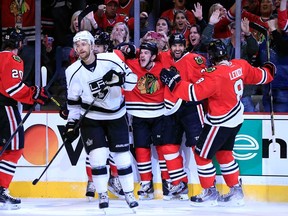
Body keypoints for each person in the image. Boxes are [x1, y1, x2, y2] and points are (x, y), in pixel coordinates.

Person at [160, 39, 275, 206]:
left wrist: (174, 83)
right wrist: (270, 69)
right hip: (235, 119)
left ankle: (209, 193)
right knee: (224, 153)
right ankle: (236, 191)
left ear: (211, 57)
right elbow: (261, 76)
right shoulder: (239, 65)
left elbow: (193, 94)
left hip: (219, 122)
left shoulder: (214, 75)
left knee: (201, 155)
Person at [64, 30, 138, 210]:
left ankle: (129, 193)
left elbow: (133, 82)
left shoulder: (111, 59)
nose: (80, 48)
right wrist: (72, 123)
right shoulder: (72, 71)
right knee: (97, 158)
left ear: (91, 45)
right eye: (77, 45)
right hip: (92, 118)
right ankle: (102, 194)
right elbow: (73, 103)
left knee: (122, 158)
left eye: (83, 44)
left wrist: (119, 80)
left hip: (116, 115)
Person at [0, 27, 49, 209]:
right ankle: (1, 189)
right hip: (5, 109)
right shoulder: (13, 59)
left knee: (3, 148)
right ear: (20, 44)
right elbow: (12, 89)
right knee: (15, 148)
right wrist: (33, 94)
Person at [158, 33, 206, 201]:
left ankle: (209, 187)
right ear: (170, 46)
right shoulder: (165, 57)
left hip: (191, 106)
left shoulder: (195, 59)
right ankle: (179, 184)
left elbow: (202, 83)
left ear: (184, 45)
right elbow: (150, 53)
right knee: (168, 147)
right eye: (174, 45)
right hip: (171, 108)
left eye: (180, 45)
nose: (177, 48)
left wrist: (180, 84)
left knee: (198, 147)